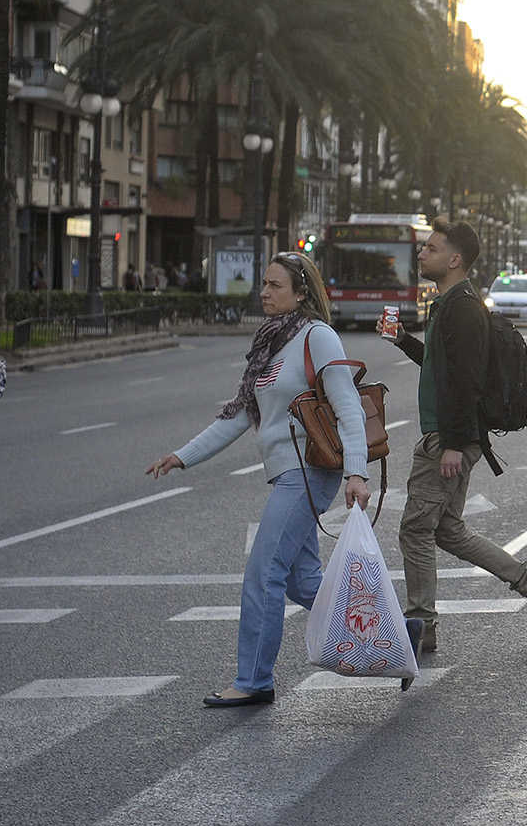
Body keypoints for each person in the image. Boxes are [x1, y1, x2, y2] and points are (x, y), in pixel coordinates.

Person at [146, 251, 372, 708]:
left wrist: (357, 472)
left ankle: (253, 680)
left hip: (307, 472)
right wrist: (182, 457)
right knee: (300, 579)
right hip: (289, 475)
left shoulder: (318, 337)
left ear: (301, 292)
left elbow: (347, 406)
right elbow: (240, 416)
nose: (265, 292)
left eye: (275, 285)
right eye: (264, 284)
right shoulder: (271, 344)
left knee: (263, 573)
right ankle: (394, 630)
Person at [380, 222, 527, 654]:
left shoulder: (462, 308)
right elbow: (442, 366)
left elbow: (466, 381)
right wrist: (403, 340)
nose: (422, 254)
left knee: (415, 529)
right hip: (449, 432)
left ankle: (420, 623)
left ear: (454, 259)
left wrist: (454, 444)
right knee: (447, 530)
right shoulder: (450, 304)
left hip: (447, 435)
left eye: (432, 248)